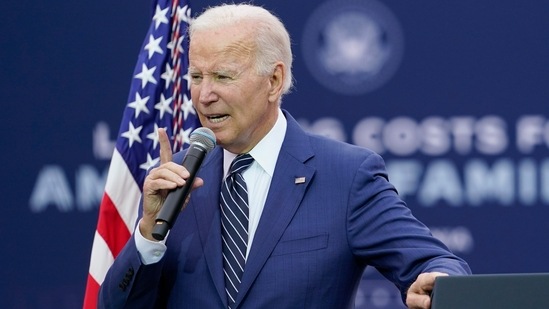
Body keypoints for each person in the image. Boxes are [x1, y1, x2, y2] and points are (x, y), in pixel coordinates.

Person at [98, 3, 471, 308]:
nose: (204, 95)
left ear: (274, 81)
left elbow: (431, 262)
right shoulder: (176, 178)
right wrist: (149, 234)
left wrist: (439, 280)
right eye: (197, 77)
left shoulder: (344, 175)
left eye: (223, 77)